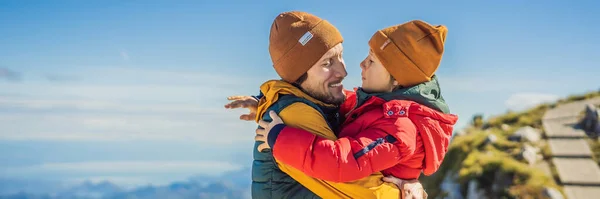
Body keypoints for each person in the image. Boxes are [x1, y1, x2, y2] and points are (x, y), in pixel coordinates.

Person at [224, 11, 422, 199]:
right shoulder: (294, 117)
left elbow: (363, 107)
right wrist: (405, 191)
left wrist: (409, 180)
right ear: (299, 74)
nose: (343, 71)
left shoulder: (324, 102)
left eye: (341, 56)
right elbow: (361, 189)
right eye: (327, 63)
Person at [255, 19, 458, 197]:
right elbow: (346, 104)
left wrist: (279, 138)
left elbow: (343, 162)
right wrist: (263, 99)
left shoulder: (399, 127)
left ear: (396, 79)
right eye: (327, 62)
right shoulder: (377, 107)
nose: (357, 66)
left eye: (371, 61)